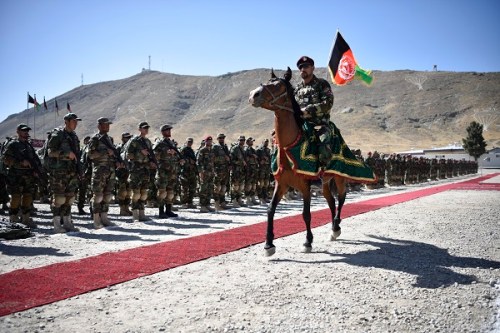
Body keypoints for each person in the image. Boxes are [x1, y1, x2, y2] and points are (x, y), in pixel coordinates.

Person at [294, 56, 335, 168]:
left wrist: (309, 110)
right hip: (300, 125)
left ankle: (322, 172)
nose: (303, 69)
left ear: (312, 68)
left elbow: (328, 103)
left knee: (323, 141)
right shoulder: (297, 89)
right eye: (301, 67)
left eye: (306, 66)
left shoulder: (322, 84)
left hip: (319, 124)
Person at [46, 113, 82, 233]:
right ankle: (57, 224)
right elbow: (50, 152)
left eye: (76, 121)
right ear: (66, 121)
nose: (75, 123)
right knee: (59, 199)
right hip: (59, 172)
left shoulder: (74, 136)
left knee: (70, 198)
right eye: (73, 121)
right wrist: (65, 154)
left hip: (71, 171)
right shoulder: (58, 134)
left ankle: (67, 222)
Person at [2, 123, 41, 227]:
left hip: (28, 176)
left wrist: (36, 170)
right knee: (15, 197)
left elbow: (34, 160)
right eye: (24, 131)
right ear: (18, 131)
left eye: (27, 131)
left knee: (28, 197)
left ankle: (26, 218)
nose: (26, 133)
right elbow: (5, 160)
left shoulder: (28, 146)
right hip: (15, 176)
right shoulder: (12, 144)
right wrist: (20, 163)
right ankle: (13, 219)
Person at [87, 117, 124, 228]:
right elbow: (90, 155)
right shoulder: (95, 139)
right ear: (99, 126)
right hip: (99, 171)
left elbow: (112, 155)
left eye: (108, 124)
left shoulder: (109, 139)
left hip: (110, 170)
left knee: (107, 196)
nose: (107, 126)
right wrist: (104, 151)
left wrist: (117, 161)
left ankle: (104, 217)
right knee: (98, 196)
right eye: (104, 124)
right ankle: (96, 219)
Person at [126, 121, 157, 221]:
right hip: (136, 169)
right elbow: (127, 155)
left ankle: (142, 213)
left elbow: (150, 155)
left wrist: (152, 162)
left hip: (145, 169)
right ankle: (135, 213)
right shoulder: (134, 141)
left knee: (144, 193)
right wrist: (139, 152)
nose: (146, 129)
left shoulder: (147, 142)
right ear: (139, 129)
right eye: (144, 128)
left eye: (147, 128)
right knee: (136, 193)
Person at [153, 124, 183, 218]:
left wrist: (178, 158)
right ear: (162, 132)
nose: (169, 132)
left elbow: (176, 155)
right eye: (167, 130)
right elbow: (154, 156)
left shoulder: (172, 143)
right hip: (163, 171)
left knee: (170, 192)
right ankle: (161, 211)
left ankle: (168, 210)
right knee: (162, 191)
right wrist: (164, 153)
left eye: (169, 130)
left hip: (172, 171)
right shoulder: (160, 143)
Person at [212, 133, 231, 211]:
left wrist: (230, 164)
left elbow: (229, 157)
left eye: (223, 138)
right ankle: (216, 203)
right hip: (218, 170)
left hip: (225, 170)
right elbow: (213, 158)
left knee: (223, 187)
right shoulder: (215, 147)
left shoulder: (225, 147)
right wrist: (223, 158)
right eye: (220, 138)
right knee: (217, 187)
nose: (222, 139)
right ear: (217, 139)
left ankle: (222, 202)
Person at [115, 132, 133, 216]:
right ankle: (122, 209)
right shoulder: (119, 148)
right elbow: (115, 158)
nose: (128, 139)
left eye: (129, 138)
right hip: (121, 173)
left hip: (129, 172)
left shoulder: (130, 148)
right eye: (126, 138)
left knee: (129, 191)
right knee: (122, 191)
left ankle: (126, 208)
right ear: (122, 139)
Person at [197, 135, 215, 212]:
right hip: (204, 173)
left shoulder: (211, 150)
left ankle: (207, 204)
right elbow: (198, 162)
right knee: (203, 189)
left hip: (211, 172)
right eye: (208, 141)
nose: (209, 142)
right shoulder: (202, 150)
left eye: (210, 141)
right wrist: (200, 172)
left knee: (210, 189)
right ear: (205, 141)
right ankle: (202, 206)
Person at [179, 137, 197, 209]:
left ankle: (190, 202)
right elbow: (180, 159)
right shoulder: (183, 149)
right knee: (184, 188)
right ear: (186, 142)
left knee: (192, 187)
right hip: (185, 171)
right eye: (189, 142)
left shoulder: (191, 150)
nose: (190, 143)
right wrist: (189, 161)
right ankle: (183, 203)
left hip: (191, 171)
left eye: (191, 142)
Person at [230, 135, 247, 207]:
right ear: (238, 141)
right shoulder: (235, 148)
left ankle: (239, 199)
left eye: (243, 140)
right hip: (236, 170)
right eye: (240, 140)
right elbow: (231, 160)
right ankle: (234, 200)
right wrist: (240, 162)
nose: (242, 141)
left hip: (242, 170)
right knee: (235, 186)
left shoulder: (243, 149)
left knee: (241, 186)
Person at [77, 135, 91, 215]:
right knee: (82, 190)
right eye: (87, 141)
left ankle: (90, 208)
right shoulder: (83, 149)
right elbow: (81, 161)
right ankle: (80, 207)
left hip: (87, 172)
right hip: (84, 172)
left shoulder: (86, 149)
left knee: (87, 191)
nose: (88, 142)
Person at [244, 137, 259, 206]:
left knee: (253, 185)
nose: (252, 142)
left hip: (254, 169)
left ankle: (252, 197)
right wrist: (252, 155)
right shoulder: (246, 149)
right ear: (247, 142)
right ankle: (247, 199)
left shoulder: (253, 149)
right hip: (249, 169)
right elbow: (245, 158)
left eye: (252, 141)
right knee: (248, 184)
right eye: (251, 141)